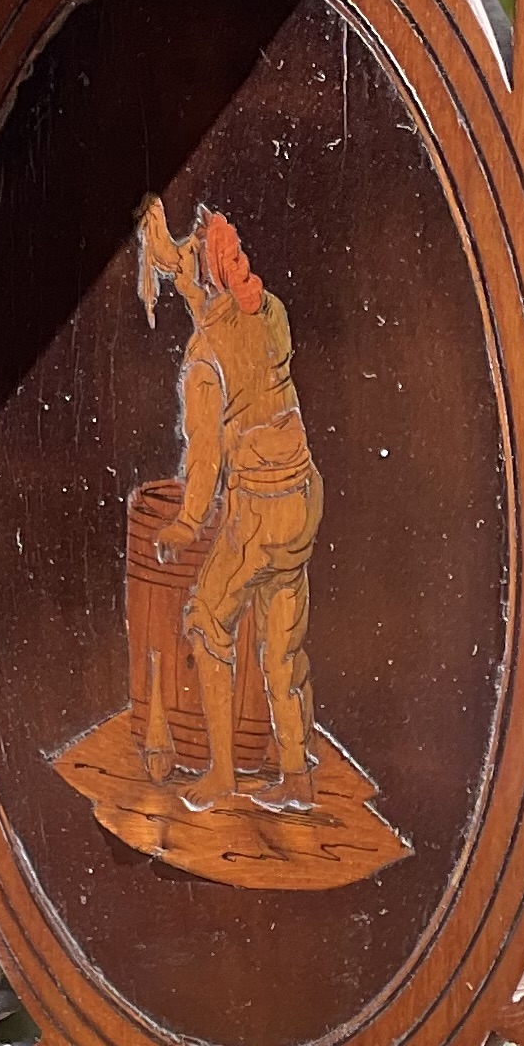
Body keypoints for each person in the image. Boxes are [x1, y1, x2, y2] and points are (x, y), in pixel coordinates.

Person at [136, 196, 322, 806]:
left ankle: (221, 774)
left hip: (259, 512)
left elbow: (206, 459)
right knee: (282, 635)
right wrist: (169, 250)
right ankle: (296, 774)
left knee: (208, 620)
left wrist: (187, 524)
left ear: (204, 283)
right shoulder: (270, 311)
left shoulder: (203, 364)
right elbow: (211, 297)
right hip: (302, 497)